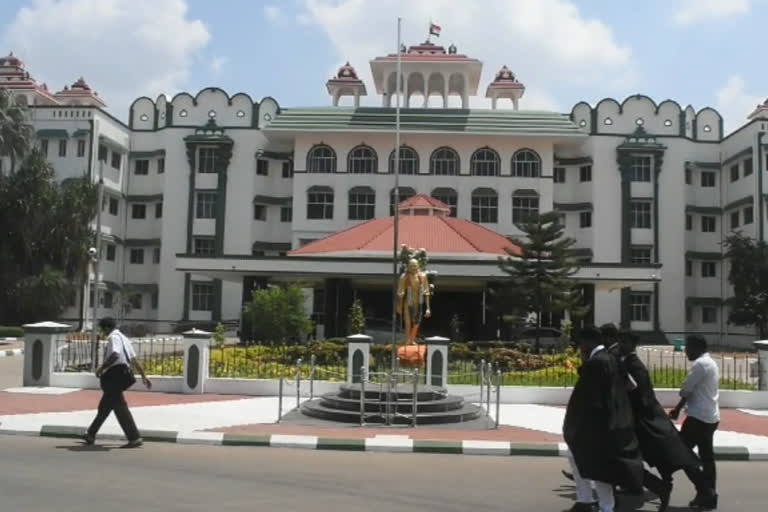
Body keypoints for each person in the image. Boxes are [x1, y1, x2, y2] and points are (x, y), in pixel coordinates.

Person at [618, 331, 701, 512]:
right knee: (652, 458)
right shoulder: (627, 363)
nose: (620, 345)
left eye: (624, 342)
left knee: (664, 458)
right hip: (642, 420)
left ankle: (667, 488)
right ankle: (648, 487)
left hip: (644, 421)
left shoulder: (634, 366)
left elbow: (641, 396)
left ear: (632, 344)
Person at [563, 325, 644, 512]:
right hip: (613, 422)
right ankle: (594, 503)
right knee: (597, 468)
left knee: (592, 467)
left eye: (581, 343)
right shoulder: (612, 359)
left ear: (588, 341)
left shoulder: (595, 364)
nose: (579, 347)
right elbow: (630, 385)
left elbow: (587, 400)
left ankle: (595, 504)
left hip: (596, 427)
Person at [83, 317, 152, 447]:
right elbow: (134, 360)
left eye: (102, 330)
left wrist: (101, 368)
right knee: (109, 404)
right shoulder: (124, 338)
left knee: (113, 405)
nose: (102, 333)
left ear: (107, 328)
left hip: (115, 375)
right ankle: (91, 434)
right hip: (123, 374)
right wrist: (144, 376)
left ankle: (134, 437)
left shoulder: (113, 337)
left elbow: (115, 354)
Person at [669, 335, 720, 510]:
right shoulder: (711, 363)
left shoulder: (700, 365)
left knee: (681, 454)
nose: (685, 351)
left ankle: (705, 491)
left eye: (688, 347)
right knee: (707, 458)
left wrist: (676, 410)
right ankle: (708, 495)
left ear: (698, 347)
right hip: (711, 417)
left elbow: (686, 390)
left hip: (698, 418)